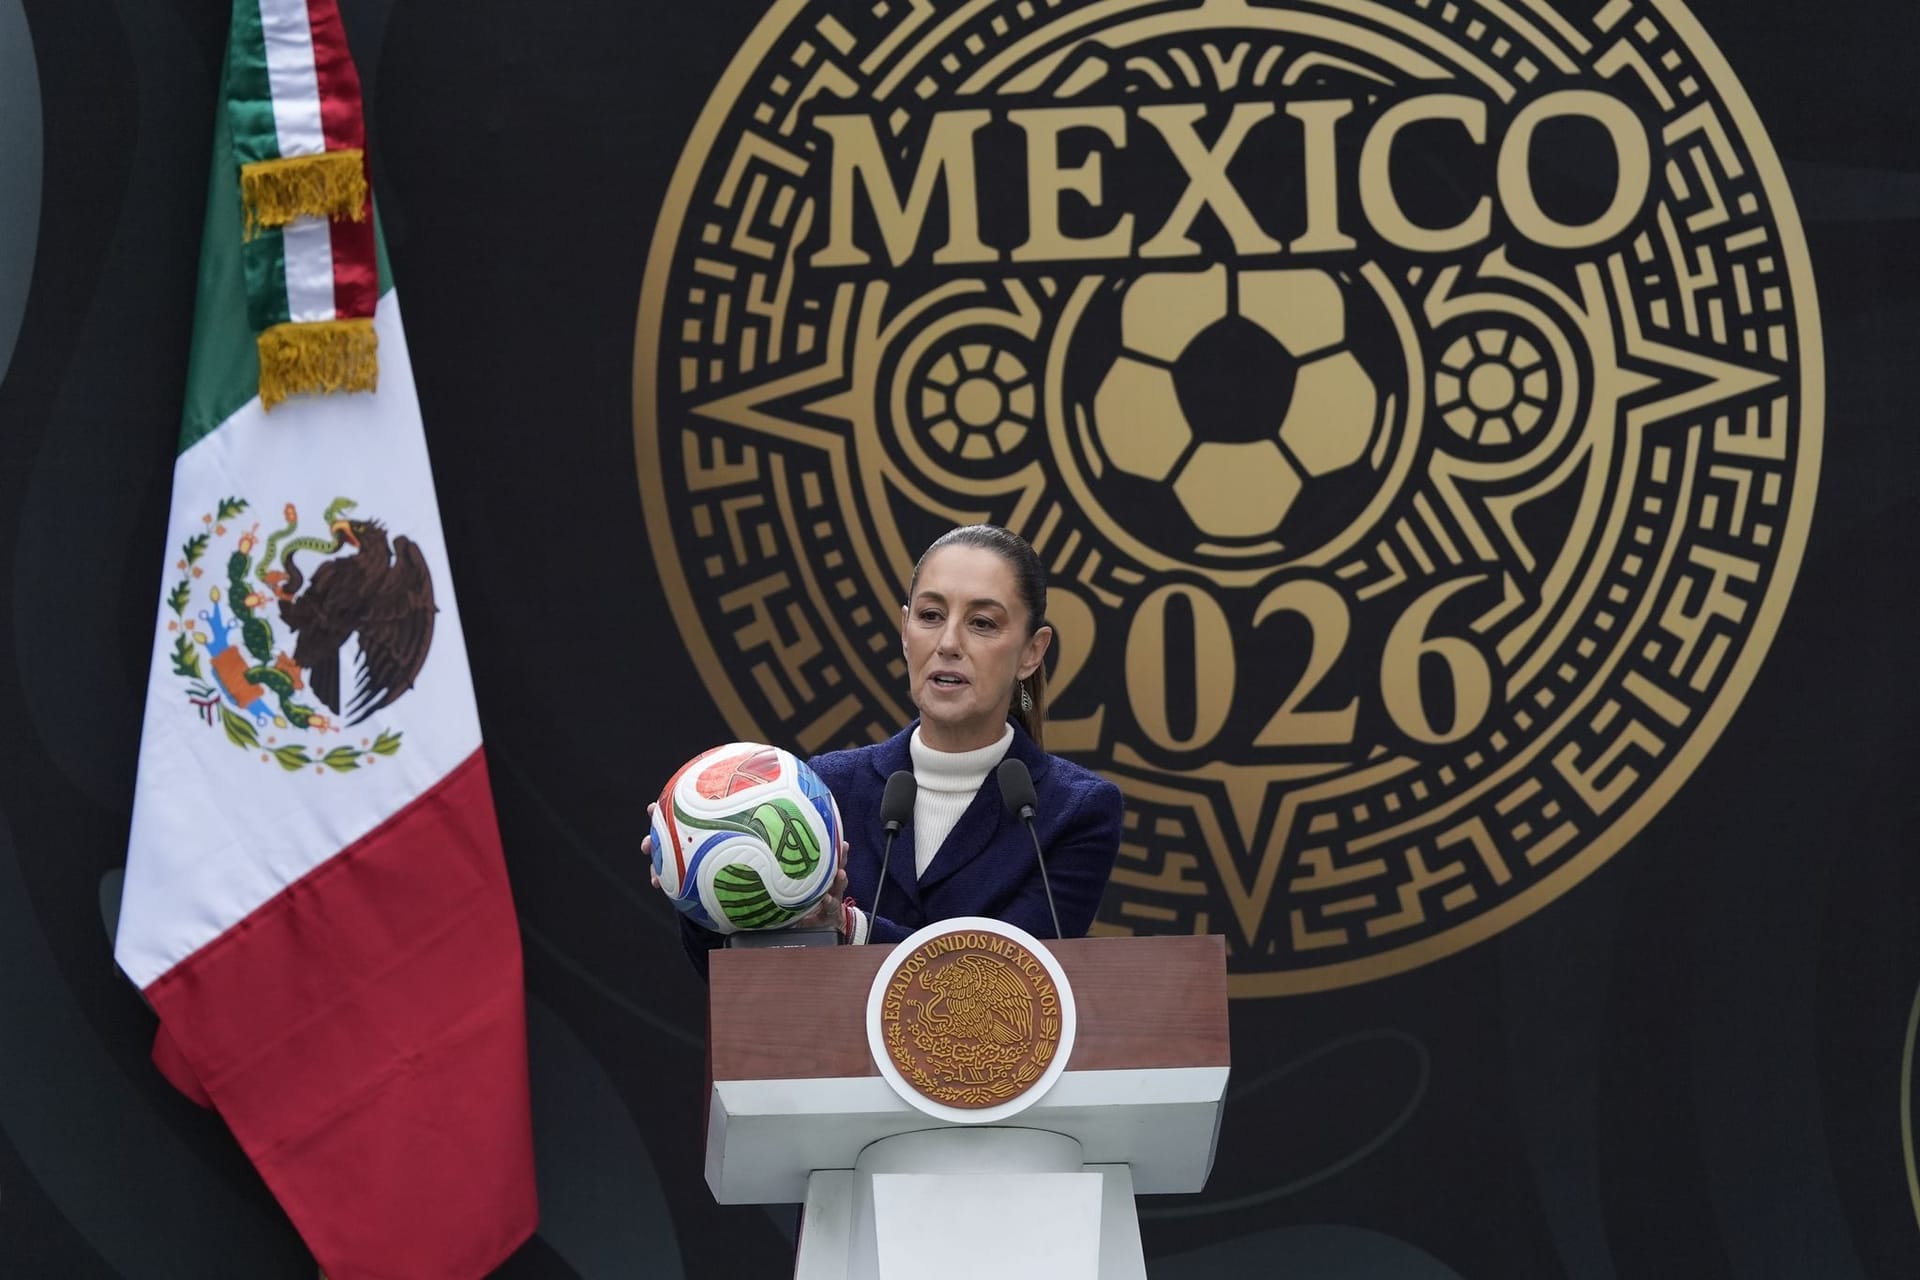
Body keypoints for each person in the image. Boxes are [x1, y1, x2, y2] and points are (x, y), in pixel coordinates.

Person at [656, 524, 1122, 961]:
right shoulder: (824, 789)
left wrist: (849, 927)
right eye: (930, 616)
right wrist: (700, 875)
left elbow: (1009, 983)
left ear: (1031, 652)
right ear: (905, 631)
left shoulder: (1075, 811)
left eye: (982, 623)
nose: (948, 642)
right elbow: (744, 984)